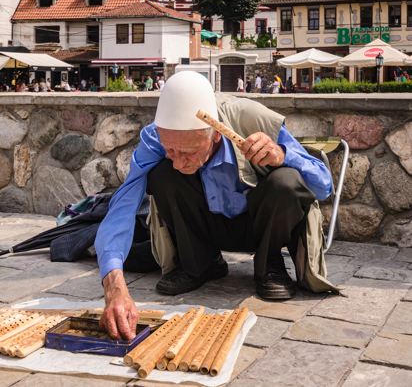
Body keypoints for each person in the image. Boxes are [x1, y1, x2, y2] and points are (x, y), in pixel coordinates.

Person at [95, 71, 334, 341]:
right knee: (162, 174)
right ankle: (201, 263)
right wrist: (114, 287)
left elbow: (324, 187)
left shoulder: (253, 119)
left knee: (287, 181)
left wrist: (282, 155)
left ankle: (270, 265)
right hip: (207, 223)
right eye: (170, 149)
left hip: (259, 225)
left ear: (216, 135)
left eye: (189, 152)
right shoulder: (155, 137)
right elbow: (124, 204)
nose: (178, 161)